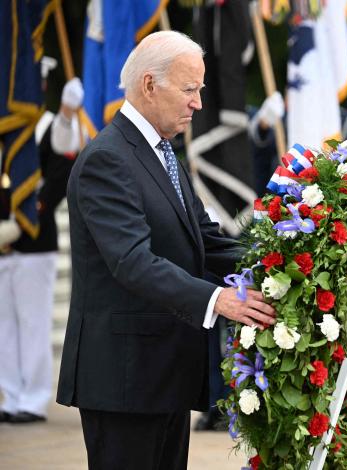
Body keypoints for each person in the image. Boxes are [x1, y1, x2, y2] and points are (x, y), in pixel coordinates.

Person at [56, 31, 277, 470]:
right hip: (123, 378)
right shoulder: (109, 158)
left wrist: (281, 258)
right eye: (190, 89)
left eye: (201, 90)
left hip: (162, 373)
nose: (197, 103)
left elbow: (205, 239)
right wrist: (220, 300)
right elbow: (132, 261)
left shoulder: (162, 151)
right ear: (150, 85)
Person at [0, 60, 84, 425]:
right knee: (5, 326)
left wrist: (32, 211)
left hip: (35, 240)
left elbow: (61, 170)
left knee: (32, 323)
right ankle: (11, 395)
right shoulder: (8, 126)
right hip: (4, 241)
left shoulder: (52, 125)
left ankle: (32, 399)